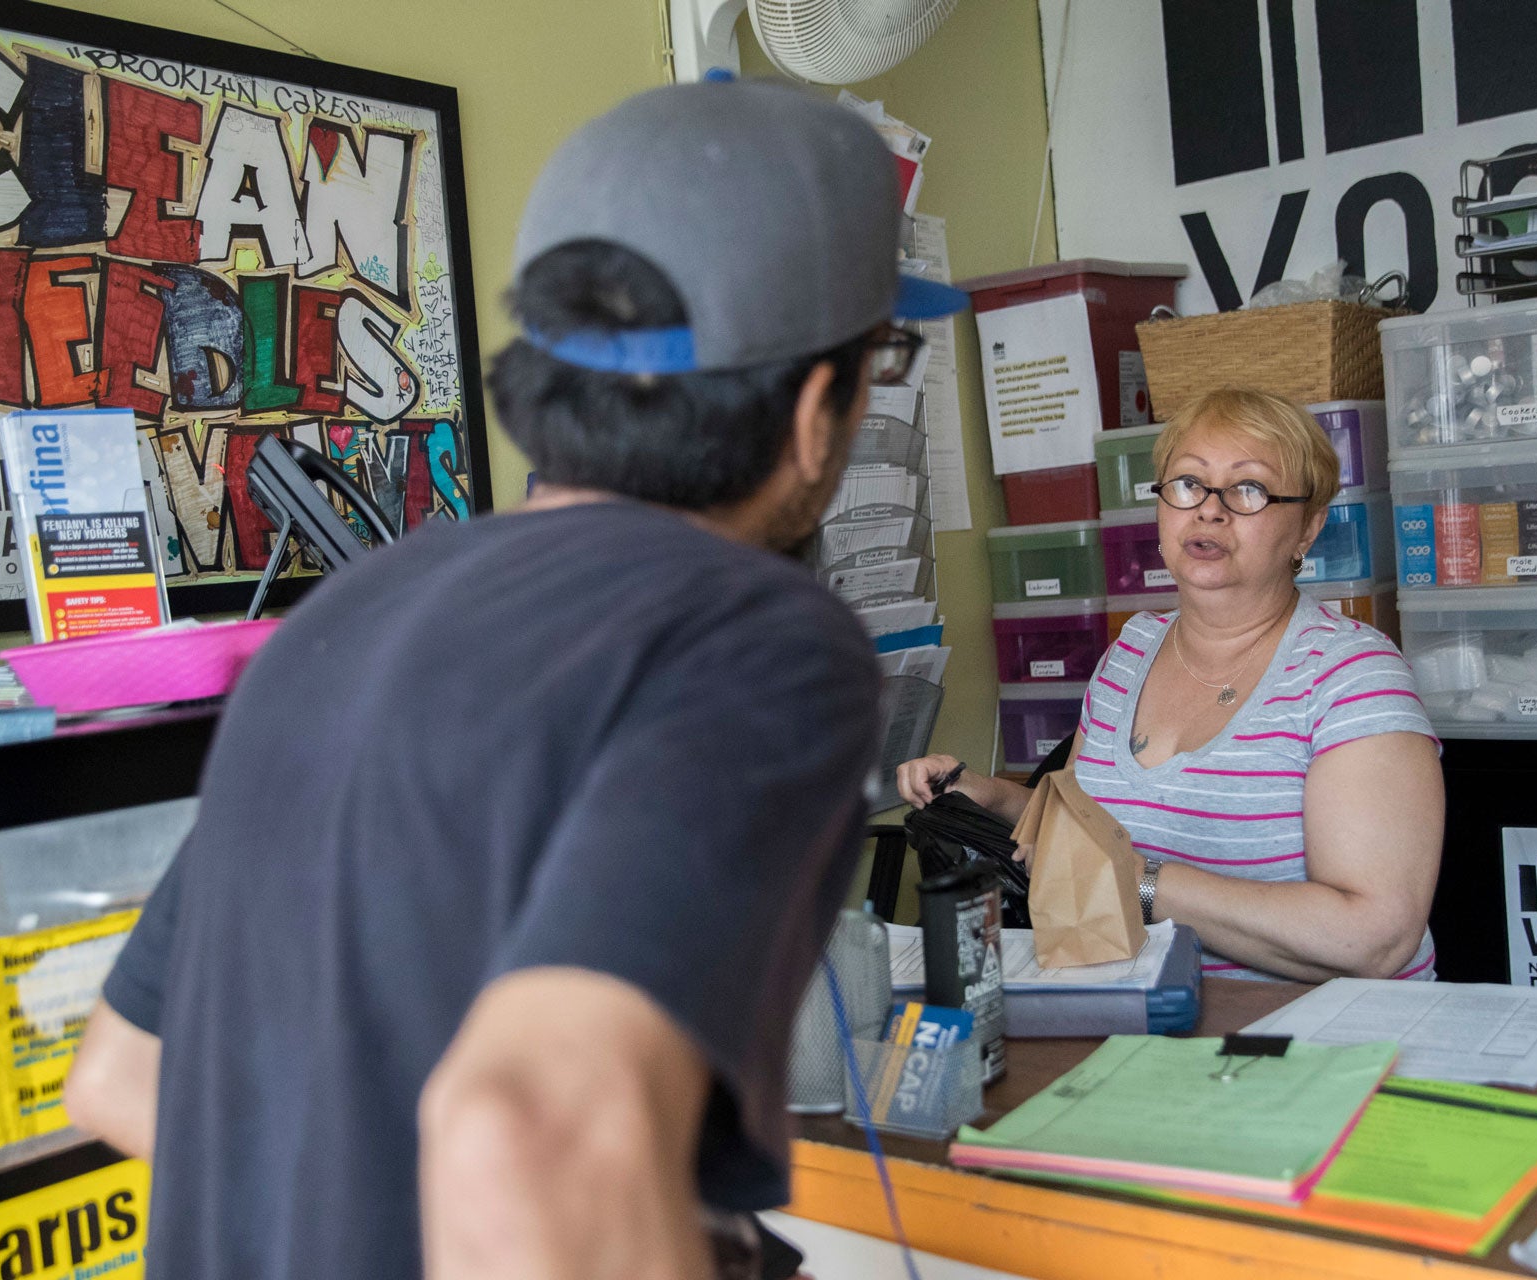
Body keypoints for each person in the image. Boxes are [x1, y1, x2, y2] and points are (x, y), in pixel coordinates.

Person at [64, 80, 967, 1280]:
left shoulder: (344, 616)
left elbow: (124, 1075)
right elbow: (529, 1130)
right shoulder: (753, 632)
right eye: (880, 359)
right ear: (816, 406)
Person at [899, 388, 1442, 983]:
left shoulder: (1354, 674)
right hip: (1138, 1014)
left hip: (1315, 1041)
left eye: (1249, 489)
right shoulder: (1131, 651)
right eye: (1188, 483)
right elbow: (1088, 831)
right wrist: (990, 795)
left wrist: (1144, 883)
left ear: (1307, 530)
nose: (1210, 510)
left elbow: (1376, 939)